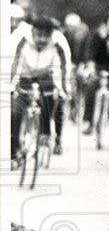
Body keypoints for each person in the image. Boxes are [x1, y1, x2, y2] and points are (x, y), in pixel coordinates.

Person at [9, 16, 69, 162]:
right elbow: (15, 64)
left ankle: (44, 134)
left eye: (46, 36)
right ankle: (14, 149)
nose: (42, 40)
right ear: (32, 32)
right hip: (25, 76)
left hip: (45, 78)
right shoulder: (23, 41)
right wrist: (11, 85)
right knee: (15, 111)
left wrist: (62, 90)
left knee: (48, 102)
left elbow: (60, 69)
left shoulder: (57, 44)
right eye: (38, 35)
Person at [81, 12, 109, 133]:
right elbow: (91, 53)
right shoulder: (98, 36)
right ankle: (88, 121)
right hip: (98, 66)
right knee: (91, 85)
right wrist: (91, 66)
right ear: (105, 25)